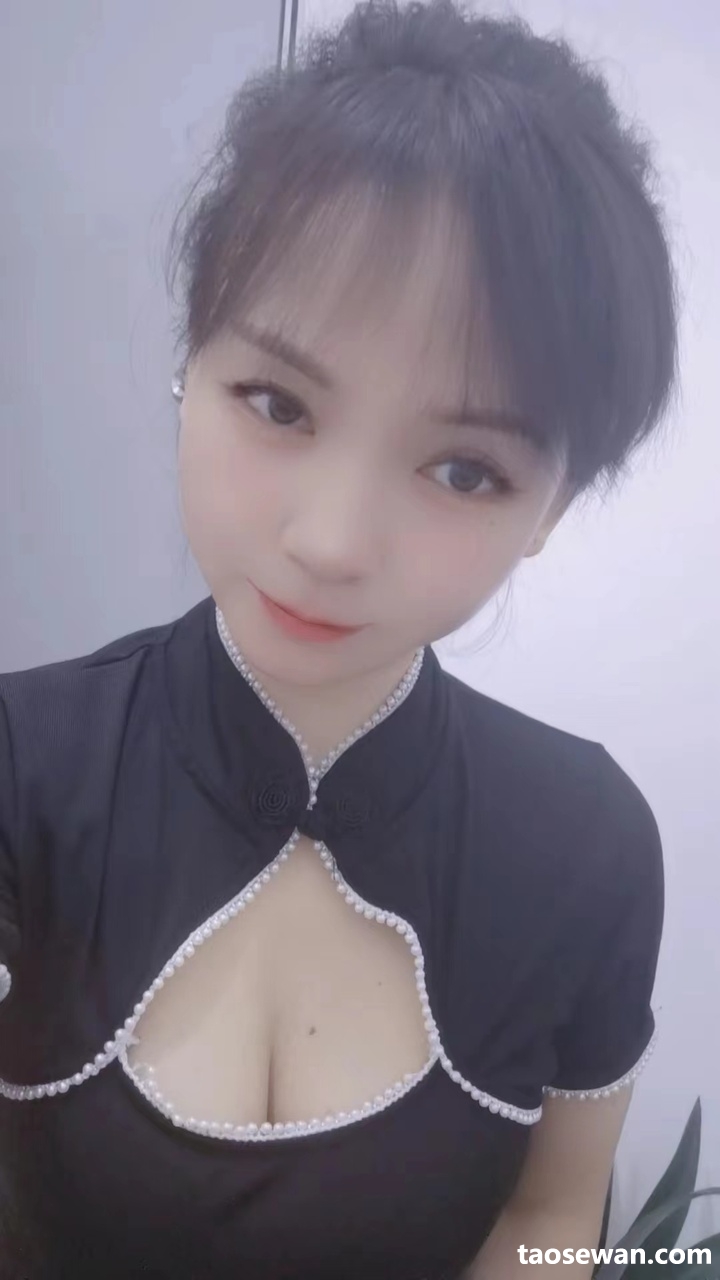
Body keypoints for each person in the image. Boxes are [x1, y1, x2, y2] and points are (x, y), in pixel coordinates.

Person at [0, 1, 678, 1277]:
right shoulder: (24, 765)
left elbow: (548, 1222)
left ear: (551, 507)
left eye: (464, 469)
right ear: (189, 363)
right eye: (278, 402)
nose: (330, 540)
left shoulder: (587, 842)